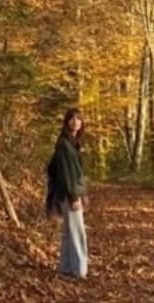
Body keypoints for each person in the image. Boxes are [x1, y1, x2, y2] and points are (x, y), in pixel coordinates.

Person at [49, 108, 89, 279]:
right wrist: (74, 196)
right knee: (77, 232)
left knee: (68, 231)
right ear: (66, 122)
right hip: (68, 193)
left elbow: (77, 172)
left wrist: (83, 193)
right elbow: (66, 172)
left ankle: (66, 268)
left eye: (78, 119)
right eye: (72, 119)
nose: (76, 122)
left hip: (72, 191)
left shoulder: (73, 143)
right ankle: (79, 270)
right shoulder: (64, 144)